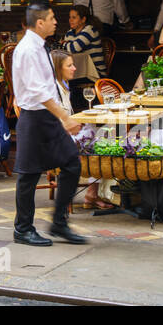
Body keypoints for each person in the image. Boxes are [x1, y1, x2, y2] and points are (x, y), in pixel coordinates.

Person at [12, 1, 87, 246]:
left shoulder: (40, 46)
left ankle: (58, 223)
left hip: (47, 117)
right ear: (40, 22)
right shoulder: (29, 49)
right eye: (53, 18)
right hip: (34, 118)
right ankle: (23, 229)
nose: (57, 21)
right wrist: (65, 117)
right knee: (29, 176)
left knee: (71, 164)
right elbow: (38, 92)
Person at [51, 50, 110, 209]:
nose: (74, 68)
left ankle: (94, 191)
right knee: (99, 140)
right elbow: (53, 120)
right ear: (58, 68)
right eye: (69, 65)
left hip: (64, 134)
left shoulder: (63, 85)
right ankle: (92, 192)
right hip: (56, 140)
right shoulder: (52, 89)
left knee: (102, 134)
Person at [63, 4, 107, 88]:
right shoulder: (70, 33)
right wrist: (65, 45)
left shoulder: (90, 30)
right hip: (77, 71)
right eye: (70, 17)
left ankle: (72, 100)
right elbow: (63, 51)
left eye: (74, 17)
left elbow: (74, 48)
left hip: (95, 73)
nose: (70, 20)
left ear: (83, 19)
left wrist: (63, 44)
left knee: (65, 80)